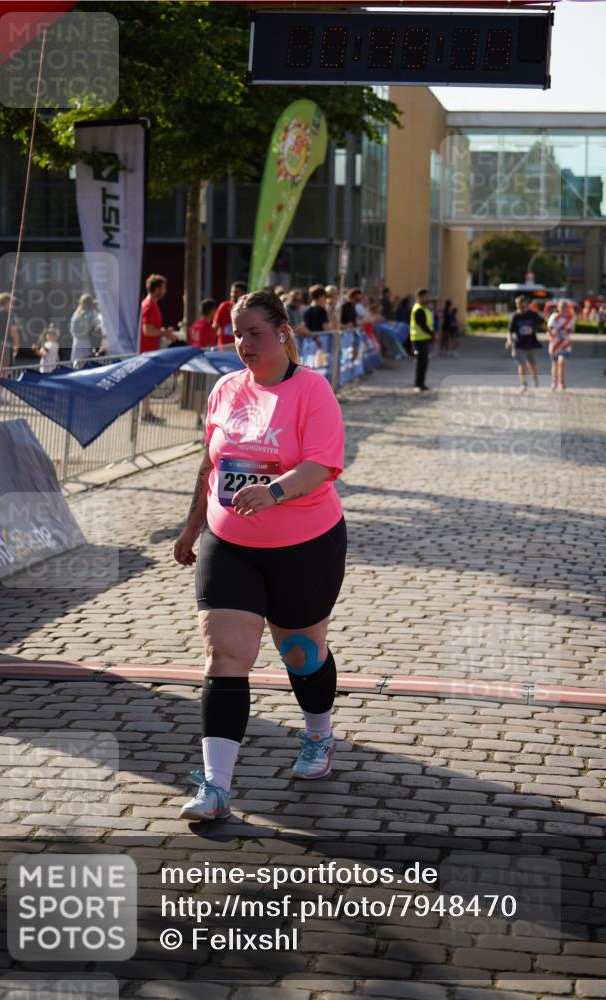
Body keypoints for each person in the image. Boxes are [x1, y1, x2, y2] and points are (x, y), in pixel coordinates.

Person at [173, 289, 347, 821]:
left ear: (283, 333)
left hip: (305, 544)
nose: (242, 343)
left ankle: (319, 735)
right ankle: (217, 786)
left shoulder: (312, 391)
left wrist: (273, 492)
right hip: (230, 545)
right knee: (225, 656)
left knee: (299, 652)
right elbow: (212, 465)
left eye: (253, 332)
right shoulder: (225, 389)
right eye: (236, 333)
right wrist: (191, 526)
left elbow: (321, 465)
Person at [139, 274, 178, 422]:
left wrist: (163, 331)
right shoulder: (149, 305)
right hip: (146, 351)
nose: (165, 290)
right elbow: (147, 330)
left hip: (149, 350)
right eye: (163, 287)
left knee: (147, 383)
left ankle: (146, 412)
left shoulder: (151, 304)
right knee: (146, 383)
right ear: (156, 289)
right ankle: (145, 414)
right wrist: (165, 333)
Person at [505, 294, 545, 392]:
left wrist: (550, 332)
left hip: (530, 344)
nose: (520, 308)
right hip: (519, 344)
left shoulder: (533, 314)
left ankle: (535, 378)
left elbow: (543, 324)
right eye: (518, 306)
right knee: (522, 364)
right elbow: (509, 331)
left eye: (522, 306)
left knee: (533, 365)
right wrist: (509, 340)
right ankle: (524, 383)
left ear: (527, 305)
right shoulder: (515, 316)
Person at [409, 288, 434, 392]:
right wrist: (433, 334)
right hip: (419, 339)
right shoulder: (418, 309)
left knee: (424, 363)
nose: (427, 298)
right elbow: (422, 325)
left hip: (424, 339)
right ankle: (418, 384)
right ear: (420, 297)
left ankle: (421, 384)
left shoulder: (424, 308)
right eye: (425, 296)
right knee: (421, 363)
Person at [546, 299, 574, 390]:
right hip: (555, 344)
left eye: (565, 307)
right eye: (562, 307)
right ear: (558, 307)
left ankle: (561, 382)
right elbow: (550, 329)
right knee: (554, 364)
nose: (564, 309)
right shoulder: (554, 317)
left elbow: (572, 329)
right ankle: (554, 382)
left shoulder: (570, 317)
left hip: (565, 344)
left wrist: (567, 331)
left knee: (562, 362)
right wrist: (553, 332)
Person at [213, 281, 247, 352]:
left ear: (244, 294)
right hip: (224, 347)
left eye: (236, 292)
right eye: (232, 292)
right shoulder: (224, 306)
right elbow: (215, 326)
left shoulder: (247, 308)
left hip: (240, 347)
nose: (233, 294)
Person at [70, 293, 101, 364]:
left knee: (76, 362)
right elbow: (98, 324)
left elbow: (72, 328)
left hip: (77, 341)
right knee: (87, 362)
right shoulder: (92, 312)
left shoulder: (77, 313)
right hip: (87, 340)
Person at [0, 293, 21, 368]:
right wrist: (17, 345)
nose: (13, 305)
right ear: (7, 302)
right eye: (12, 302)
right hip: (6, 345)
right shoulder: (10, 314)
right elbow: (13, 330)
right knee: (6, 368)